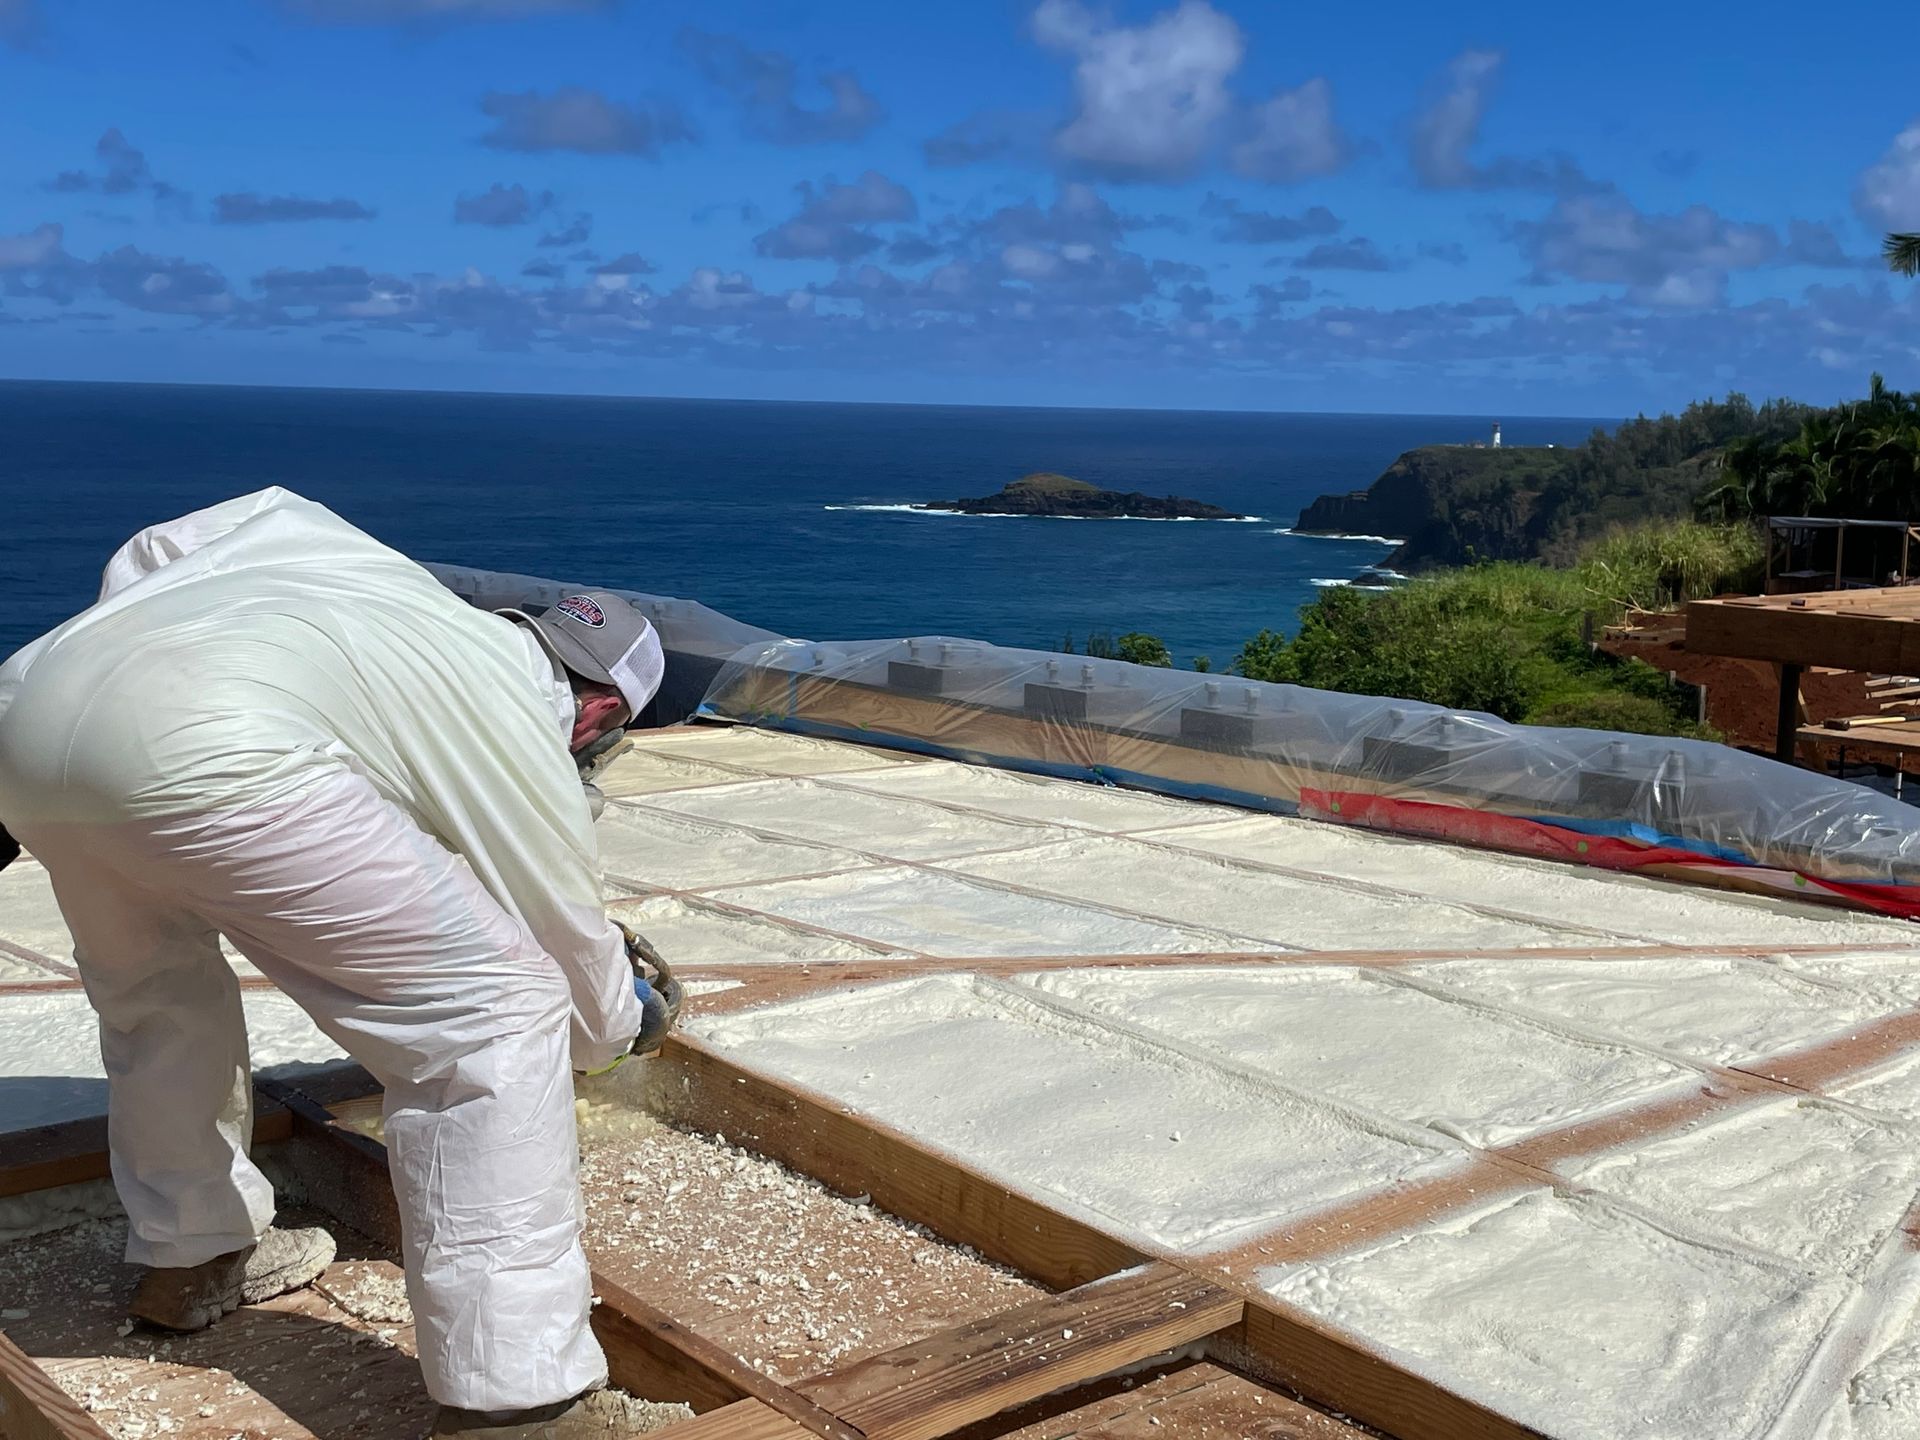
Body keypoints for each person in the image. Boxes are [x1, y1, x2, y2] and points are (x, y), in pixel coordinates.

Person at [0, 488, 675, 1439]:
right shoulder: (510, 708)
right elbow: (560, 935)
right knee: (494, 1016)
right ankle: (518, 1399)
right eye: (604, 740)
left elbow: (160, 544)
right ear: (598, 706)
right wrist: (622, 1023)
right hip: (216, 754)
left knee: (156, 997)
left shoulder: (351, 571)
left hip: (27, 720)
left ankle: (191, 1253)